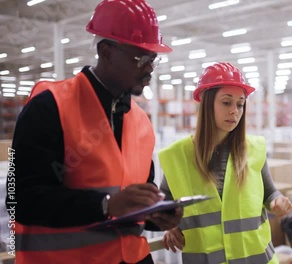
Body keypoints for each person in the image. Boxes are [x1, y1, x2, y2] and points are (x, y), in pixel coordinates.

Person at [6, 0, 183, 263]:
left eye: (153, 60)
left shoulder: (141, 123)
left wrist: (155, 216)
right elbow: (19, 199)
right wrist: (105, 205)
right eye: (142, 58)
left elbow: (132, 206)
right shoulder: (49, 108)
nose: (149, 69)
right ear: (107, 52)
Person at [157, 62, 292, 263]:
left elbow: (269, 193)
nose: (235, 111)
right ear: (206, 103)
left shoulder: (253, 149)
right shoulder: (179, 156)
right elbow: (165, 205)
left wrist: (277, 201)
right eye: (226, 102)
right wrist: (170, 227)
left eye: (240, 104)